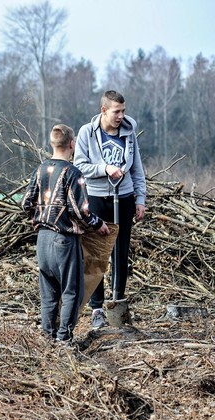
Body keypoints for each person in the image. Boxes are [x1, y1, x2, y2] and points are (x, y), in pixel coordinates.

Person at [22, 124, 110, 343]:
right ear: (72, 144)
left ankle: (47, 338)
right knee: (72, 291)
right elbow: (80, 210)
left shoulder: (40, 170)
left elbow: (25, 203)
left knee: (49, 293)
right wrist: (97, 223)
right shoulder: (73, 173)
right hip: (64, 240)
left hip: (42, 239)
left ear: (52, 144)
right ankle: (64, 339)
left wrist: (42, 216)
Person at [74, 90, 147, 329]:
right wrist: (105, 168)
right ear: (104, 110)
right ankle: (97, 309)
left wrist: (140, 198)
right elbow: (80, 165)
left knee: (120, 252)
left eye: (124, 111)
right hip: (96, 197)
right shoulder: (87, 132)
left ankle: (117, 302)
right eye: (117, 111)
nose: (121, 116)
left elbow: (136, 168)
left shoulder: (128, 133)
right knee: (96, 253)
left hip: (124, 197)